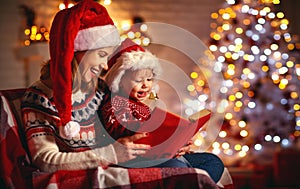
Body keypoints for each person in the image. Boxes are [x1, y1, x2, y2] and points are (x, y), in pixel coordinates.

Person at [21, 0, 151, 173]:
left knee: (191, 162)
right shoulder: (40, 97)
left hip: (120, 166)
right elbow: (45, 160)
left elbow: (126, 124)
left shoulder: (100, 88)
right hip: (95, 174)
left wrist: (168, 142)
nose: (105, 66)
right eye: (101, 55)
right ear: (74, 53)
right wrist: (110, 154)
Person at [100, 39, 225, 183]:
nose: (145, 85)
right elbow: (121, 132)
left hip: (160, 155)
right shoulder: (115, 103)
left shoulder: (140, 105)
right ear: (120, 80)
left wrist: (178, 142)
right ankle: (188, 177)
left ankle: (189, 177)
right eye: (138, 80)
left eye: (149, 79)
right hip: (136, 160)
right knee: (177, 167)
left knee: (212, 161)